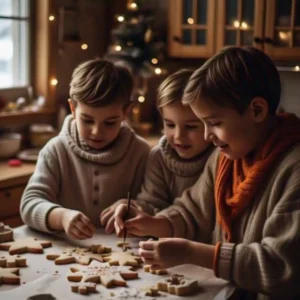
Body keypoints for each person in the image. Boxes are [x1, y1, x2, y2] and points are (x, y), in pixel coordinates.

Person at [113, 46, 300, 299]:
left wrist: (193, 253)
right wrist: (154, 223)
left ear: (257, 110)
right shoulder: (225, 157)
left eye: (214, 123)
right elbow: (192, 211)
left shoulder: (293, 169)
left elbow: (280, 266)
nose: (206, 135)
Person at [20, 59, 150, 240]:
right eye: (87, 120)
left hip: (126, 252)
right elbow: (29, 204)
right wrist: (62, 217)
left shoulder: (141, 153)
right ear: (72, 109)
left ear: (125, 112)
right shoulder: (56, 151)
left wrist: (134, 207)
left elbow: (155, 205)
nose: (97, 131)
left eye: (110, 122)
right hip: (68, 252)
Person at [100, 69, 213, 232]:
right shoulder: (159, 157)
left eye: (191, 126)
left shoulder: (218, 158)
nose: (178, 136)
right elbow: (152, 205)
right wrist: (132, 208)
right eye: (170, 124)